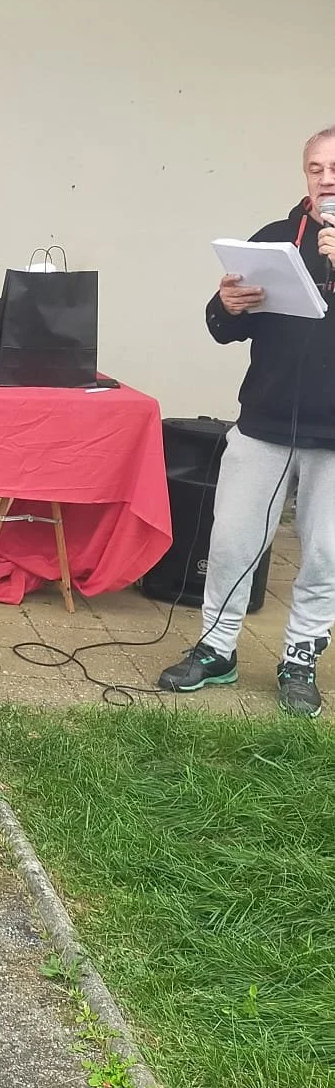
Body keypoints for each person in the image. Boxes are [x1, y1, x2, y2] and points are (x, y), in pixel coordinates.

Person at [158, 125, 335, 718]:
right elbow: (226, 324)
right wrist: (226, 306)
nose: (325, 178)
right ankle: (217, 648)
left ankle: (300, 658)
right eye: (315, 168)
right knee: (232, 542)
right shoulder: (276, 240)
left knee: (325, 553)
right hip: (263, 420)